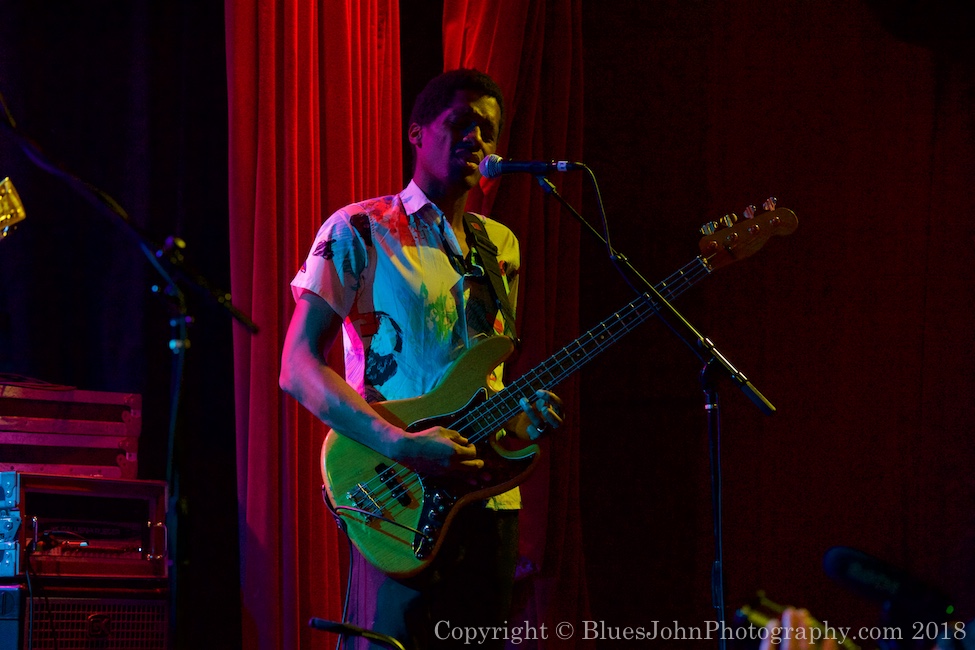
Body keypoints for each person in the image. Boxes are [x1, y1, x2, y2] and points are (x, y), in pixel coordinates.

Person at [279, 68, 562, 649]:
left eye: (488, 130)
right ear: (416, 133)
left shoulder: (500, 245)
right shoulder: (359, 228)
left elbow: (487, 381)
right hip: (399, 495)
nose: (476, 139)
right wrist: (399, 444)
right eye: (461, 122)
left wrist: (523, 422)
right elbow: (296, 367)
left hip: (488, 497)